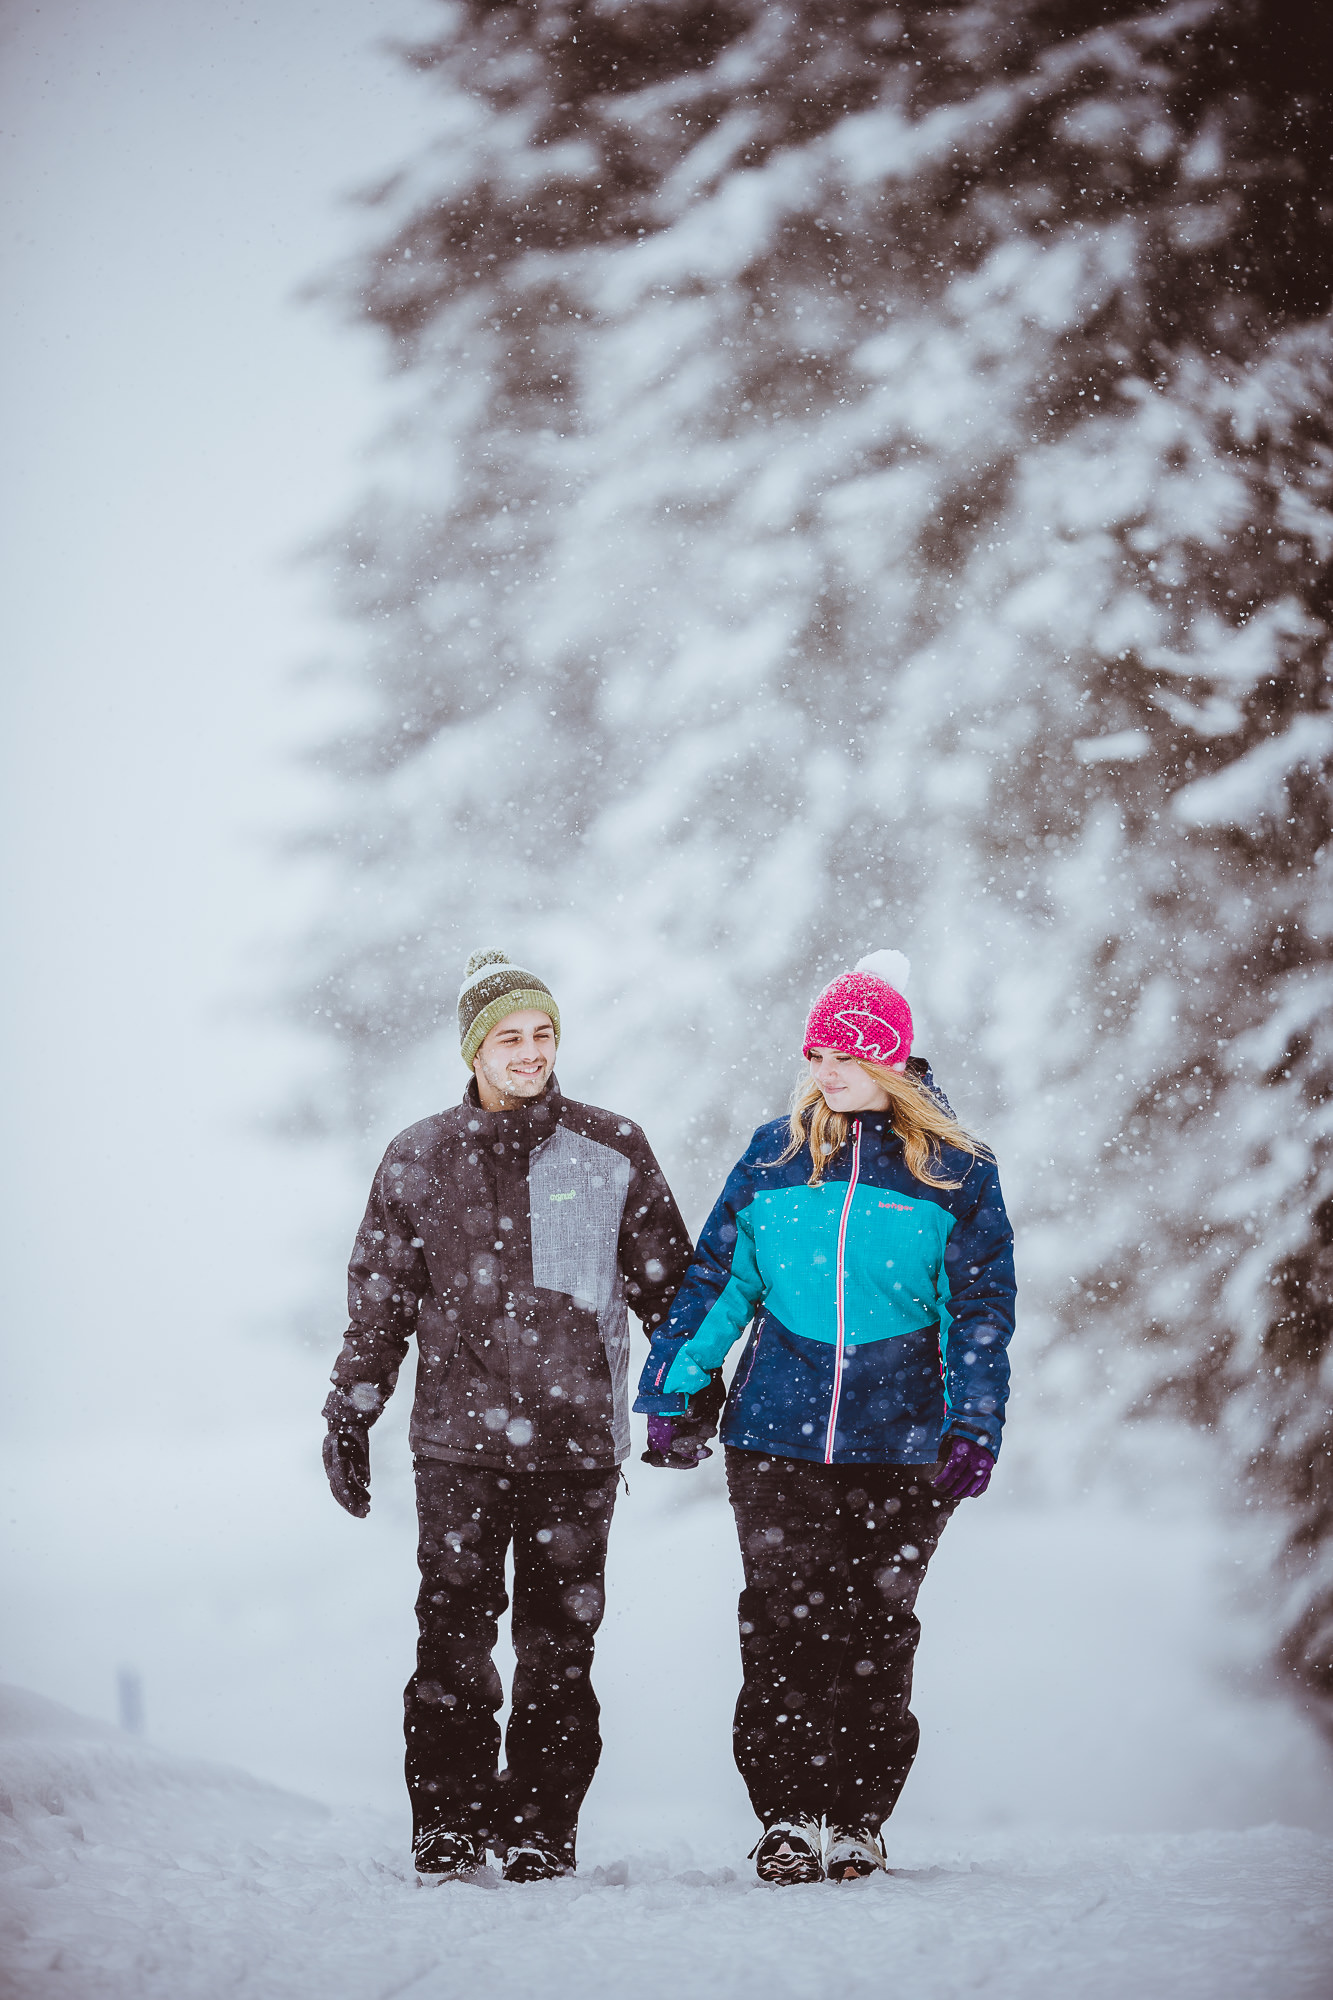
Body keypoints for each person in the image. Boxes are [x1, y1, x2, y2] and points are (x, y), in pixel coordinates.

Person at [635, 950, 1015, 1885]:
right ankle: (787, 1816)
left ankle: (857, 1817)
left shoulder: (954, 1172)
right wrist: (672, 1389)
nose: (825, 1070)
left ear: (891, 1060)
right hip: (775, 1438)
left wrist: (974, 1425)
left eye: (845, 1054)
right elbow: (720, 1281)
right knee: (782, 1622)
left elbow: (981, 1309)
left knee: (876, 1627)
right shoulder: (774, 1156)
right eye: (815, 1053)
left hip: (904, 1442)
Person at [322, 948, 694, 1881]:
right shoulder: (418, 1156)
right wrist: (350, 1411)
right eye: (509, 1038)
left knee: (559, 1647)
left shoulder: (612, 1148)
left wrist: (684, 1391)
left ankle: (539, 1826)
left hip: (577, 1446)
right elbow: (381, 1303)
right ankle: (446, 1823)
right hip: (457, 1446)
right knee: (450, 1638)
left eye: (542, 1035)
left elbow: (669, 1287)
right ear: (474, 1050)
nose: (530, 1054)